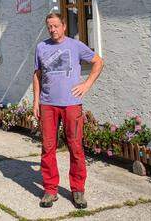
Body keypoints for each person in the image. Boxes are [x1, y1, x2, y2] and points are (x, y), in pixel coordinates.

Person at [33, 11, 104, 209]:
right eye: (49, 27)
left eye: (56, 26)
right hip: (48, 104)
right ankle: (50, 190)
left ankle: (78, 190)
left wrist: (86, 85)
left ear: (64, 26)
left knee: (75, 146)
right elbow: (37, 75)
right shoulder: (41, 47)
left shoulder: (75, 45)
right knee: (48, 147)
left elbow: (98, 62)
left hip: (72, 104)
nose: (53, 30)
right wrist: (35, 101)